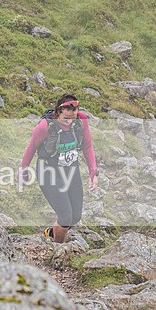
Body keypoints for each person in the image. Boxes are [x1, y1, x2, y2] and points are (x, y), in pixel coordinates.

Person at [20, 93, 98, 243]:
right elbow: (30, 149)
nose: (69, 121)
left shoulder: (81, 121)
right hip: (48, 171)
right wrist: (23, 173)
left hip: (70, 169)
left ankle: (52, 233)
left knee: (75, 217)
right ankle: (58, 250)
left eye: (73, 117)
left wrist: (93, 172)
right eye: (66, 118)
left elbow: (88, 146)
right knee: (66, 217)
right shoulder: (45, 127)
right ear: (58, 112)